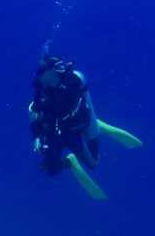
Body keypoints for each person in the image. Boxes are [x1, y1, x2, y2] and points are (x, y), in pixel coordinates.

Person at [29, 56, 142, 200]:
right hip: (55, 131)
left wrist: (48, 109)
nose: (38, 75)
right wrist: (37, 137)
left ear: (52, 71)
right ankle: (71, 162)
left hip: (80, 125)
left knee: (94, 163)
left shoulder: (72, 82)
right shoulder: (40, 91)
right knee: (51, 169)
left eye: (41, 71)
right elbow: (32, 115)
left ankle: (100, 125)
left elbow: (78, 94)